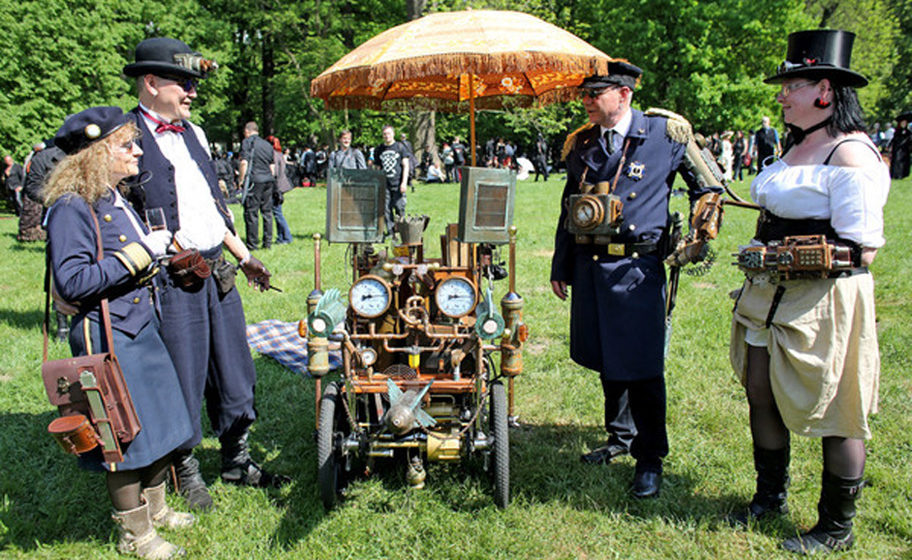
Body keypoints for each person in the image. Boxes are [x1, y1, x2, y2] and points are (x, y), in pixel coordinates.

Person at [728, 30, 889, 554]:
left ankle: (835, 528)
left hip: (825, 301)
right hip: (767, 296)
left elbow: (862, 249)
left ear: (823, 88)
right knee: (760, 390)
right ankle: (768, 498)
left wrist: (779, 257)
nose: (781, 96)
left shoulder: (851, 156)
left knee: (837, 409)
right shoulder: (799, 144)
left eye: (790, 86)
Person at [122, 37, 288, 511]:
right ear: (151, 83)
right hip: (173, 279)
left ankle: (237, 460)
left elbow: (213, 207)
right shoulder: (125, 137)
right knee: (184, 375)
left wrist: (244, 255)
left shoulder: (192, 132)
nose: (193, 92)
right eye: (185, 83)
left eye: (195, 84)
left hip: (218, 269)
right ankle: (186, 471)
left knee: (235, 369)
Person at [551, 61, 716, 498]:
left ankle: (650, 457)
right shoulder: (582, 143)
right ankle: (619, 438)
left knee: (642, 367)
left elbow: (709, 187)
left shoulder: (666, 135)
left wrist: (698, 236)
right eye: (584, 94)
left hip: (637, 270)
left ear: (623, 94)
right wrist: (560, 265)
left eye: (595, 93)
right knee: (607, 357)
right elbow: (568, 206)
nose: (585, 101)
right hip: (590, 267)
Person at [45, 106, 195, 559]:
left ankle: (157, 509)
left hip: (138, 325)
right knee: (122, 439)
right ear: (94, 155)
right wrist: (137, 254)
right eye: (125, 144)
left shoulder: (113, 197)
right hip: (107, 336)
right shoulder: (71, 207)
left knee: (159, 426)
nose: (136, 151)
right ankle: (137, 536)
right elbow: (72, 282)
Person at [239, 121, 276, 250]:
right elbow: (272, 166)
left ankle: (252, 244)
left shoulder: (247, 142)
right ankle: (268, 242)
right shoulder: (267, 144)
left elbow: (244, 162)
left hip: (254, 180)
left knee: (251, 213)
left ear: (247, 131)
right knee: (267, 212)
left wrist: (241, 180)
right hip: (268, 180)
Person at [373, 124, 409, 235]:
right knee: (386, 209)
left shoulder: (400, 147)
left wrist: (404, 182)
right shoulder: (379, 149)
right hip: (384, 184)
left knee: (399, 207)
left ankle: (402, 230)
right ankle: (391, 231)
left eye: (388, 133)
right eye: (384, 134)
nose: (386, 136)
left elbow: (406, 165)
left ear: (393, 134)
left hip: (398, 182)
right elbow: (378, 168)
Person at [266, 135, 293, 245]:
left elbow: (275, 173)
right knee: (277, 211)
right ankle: (281, 237)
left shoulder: (273, 155)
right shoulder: (279, 154)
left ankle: (287, 236)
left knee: (277, 213)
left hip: (276, 187)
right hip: (281, 186)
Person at [888, 112, 911, 179]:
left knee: (904, 162)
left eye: (905, 123)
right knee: (897, 161)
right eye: (902, 123)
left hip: (904, 149)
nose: (904, 124)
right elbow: (894, 140)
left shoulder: (908, 132)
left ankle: (903, 174)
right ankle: (896, 174)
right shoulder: (897, 131)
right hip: (897, 149)